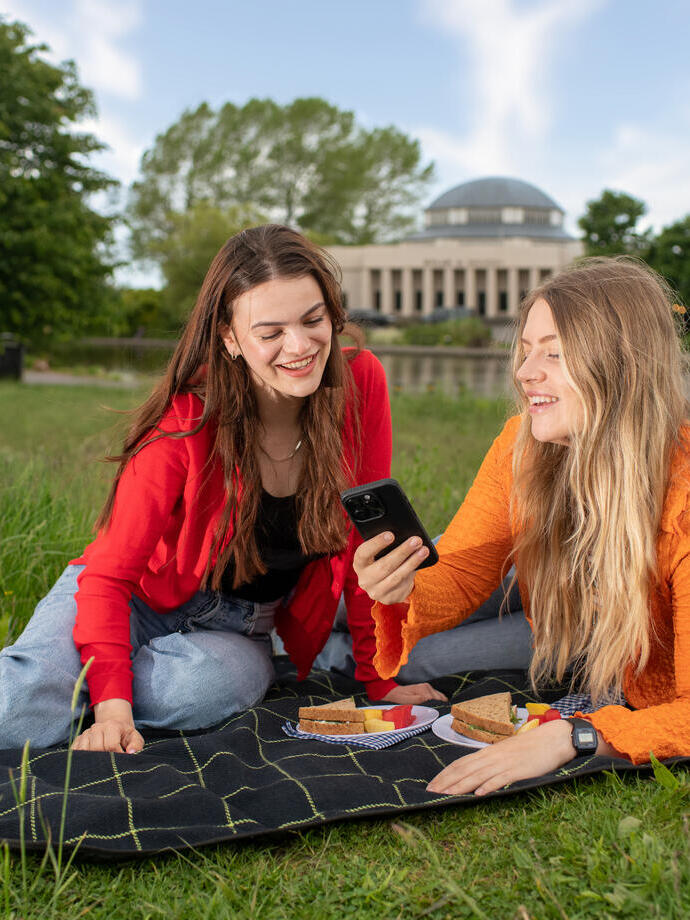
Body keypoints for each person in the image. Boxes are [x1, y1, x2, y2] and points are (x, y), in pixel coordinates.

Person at [0, 224, 444, 754]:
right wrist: (116, 710)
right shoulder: (186, 419)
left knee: (200, 689)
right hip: (131, 600)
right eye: (270, 331)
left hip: (236, 628)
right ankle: (75, 691)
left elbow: (364, 549)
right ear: (230, 337)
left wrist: (380, 681)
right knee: (14, 710)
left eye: (313, 320)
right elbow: (110, 578)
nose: (300, 346)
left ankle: (76, 689)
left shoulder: (359, 386)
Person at [354, 256, 690, 795]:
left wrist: (576, 737)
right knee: (423, 590)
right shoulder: (522, 445)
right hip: (549, 595)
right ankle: (314, 624)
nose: (525, 371)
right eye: (528, 349)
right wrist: (403, 585)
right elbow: (463, 569)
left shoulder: (682, 498)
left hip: (604, 633)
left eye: (554, 353)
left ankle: (317, 634)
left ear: (623, 364)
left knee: (426, 659)